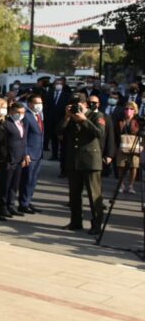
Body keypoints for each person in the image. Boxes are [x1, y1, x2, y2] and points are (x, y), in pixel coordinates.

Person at [62, 93, 106, 234]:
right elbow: (58, 132)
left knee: (94, 195)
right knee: (74, 194)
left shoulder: (96, 116)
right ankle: (76, 222)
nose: (76, 106)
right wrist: (67, 117)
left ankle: (96, 224)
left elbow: (99, 133)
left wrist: (84, 120)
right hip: (74, 161)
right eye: (73, 104)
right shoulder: (70, 117)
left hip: (90, 161)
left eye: (79, 103)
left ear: (85, 104)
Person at [1, 101, 30, 218]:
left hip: (19, 159)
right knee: (6, 185)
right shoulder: (6, 123)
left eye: (22, 112)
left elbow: (23, 141)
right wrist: (7, 158)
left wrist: (24, 155)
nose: (20, 114)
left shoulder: (21, 123)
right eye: (18, 112)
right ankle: (3, 207)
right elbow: (4, 143)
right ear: (12, 111)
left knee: (14, 185)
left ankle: (11, 205)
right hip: (9, 159)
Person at [19, 94, 46, 213]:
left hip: (38, 153)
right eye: (37, 103)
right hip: (30, 153)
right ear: (30, 104)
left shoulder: (38, 115)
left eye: (41, 103)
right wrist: (26, 153)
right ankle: (23, 203)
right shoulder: (27, 116)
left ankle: (28, 200)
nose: (39, 106)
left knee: (33, 180)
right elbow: (23, 137)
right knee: (27, 179)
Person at [115, 101, 141, 193]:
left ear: (135, 110)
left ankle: (131, 186)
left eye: (131, 109)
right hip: (121, 146)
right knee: (121, 166)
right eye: (126, 109)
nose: (128, 111)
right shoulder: (120, 120)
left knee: (133, 167)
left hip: (134, 147)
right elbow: (116, 133)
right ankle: (121, 185)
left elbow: (140, 133)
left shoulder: (138, 120)